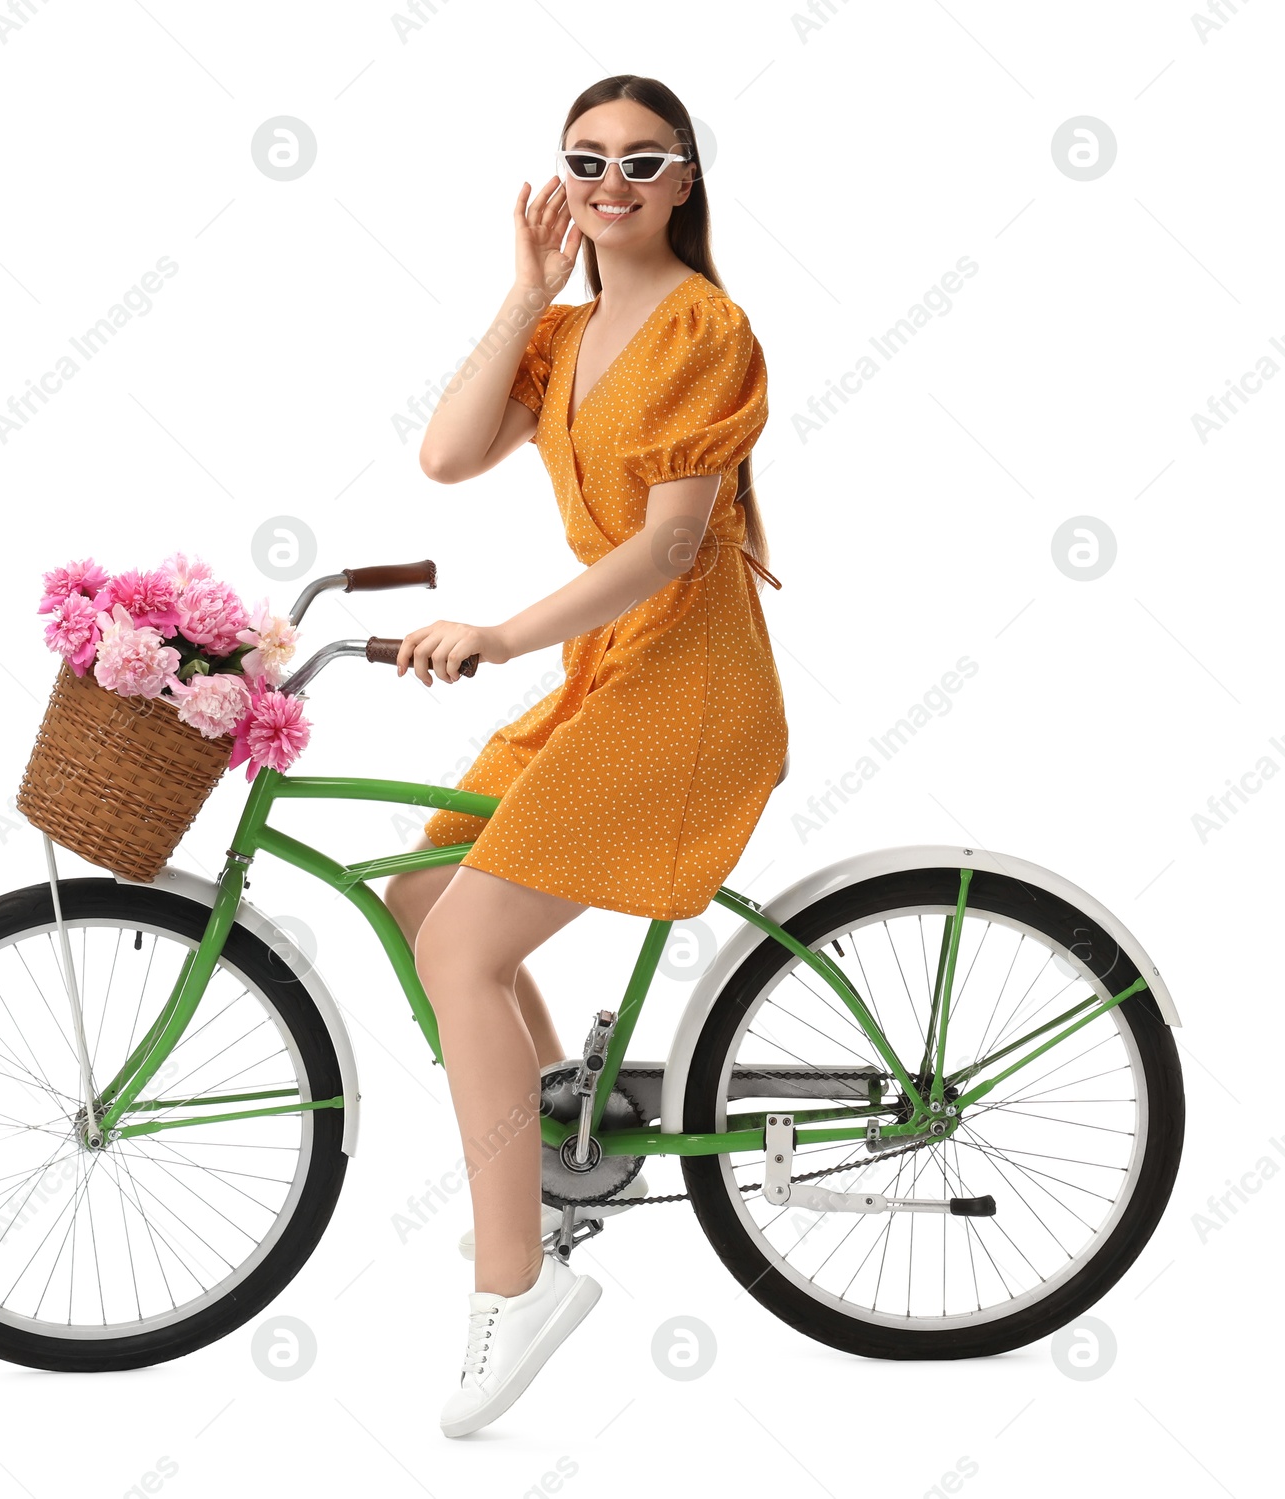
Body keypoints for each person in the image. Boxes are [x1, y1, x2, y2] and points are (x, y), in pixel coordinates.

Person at [382, 73, 789, 1438]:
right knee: (425, 902)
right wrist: (523, 289)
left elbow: (672, 548)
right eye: (586, 160)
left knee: (460, 952)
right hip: (608, 675)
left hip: (686, 687)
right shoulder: (565, 333)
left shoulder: (706, 330)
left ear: (685, 183)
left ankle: (518, 1280)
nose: (611, 183)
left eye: (641, 161)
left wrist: (497, 637)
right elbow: (445, 456)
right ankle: (558, 1167)